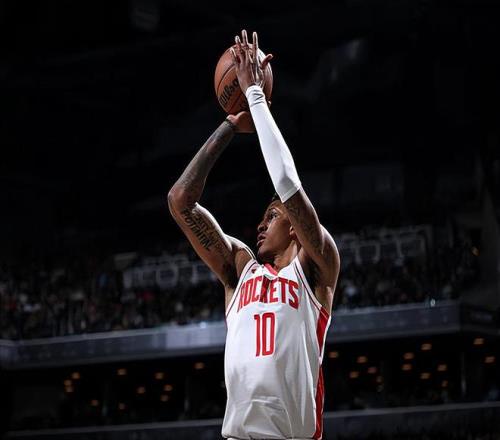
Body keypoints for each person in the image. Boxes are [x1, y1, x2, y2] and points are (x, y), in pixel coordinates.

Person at [168, 30, 340, 440]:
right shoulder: (240, 270)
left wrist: (256, 97)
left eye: (272, 216)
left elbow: (287, 184)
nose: (261, 225)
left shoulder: (316, 267)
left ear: (295, 227)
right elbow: (180, 201)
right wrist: (230, 125)